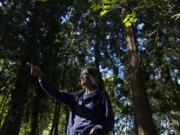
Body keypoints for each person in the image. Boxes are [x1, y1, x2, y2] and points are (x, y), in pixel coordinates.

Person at [27, 63, 114, 135]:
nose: (81, 77)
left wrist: (97, 128)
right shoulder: (76, 97)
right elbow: (57, 94)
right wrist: (40, 76)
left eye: (84, 74)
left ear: (93, 77)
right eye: (81, 75)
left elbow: (109, 120)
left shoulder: (102, 96)